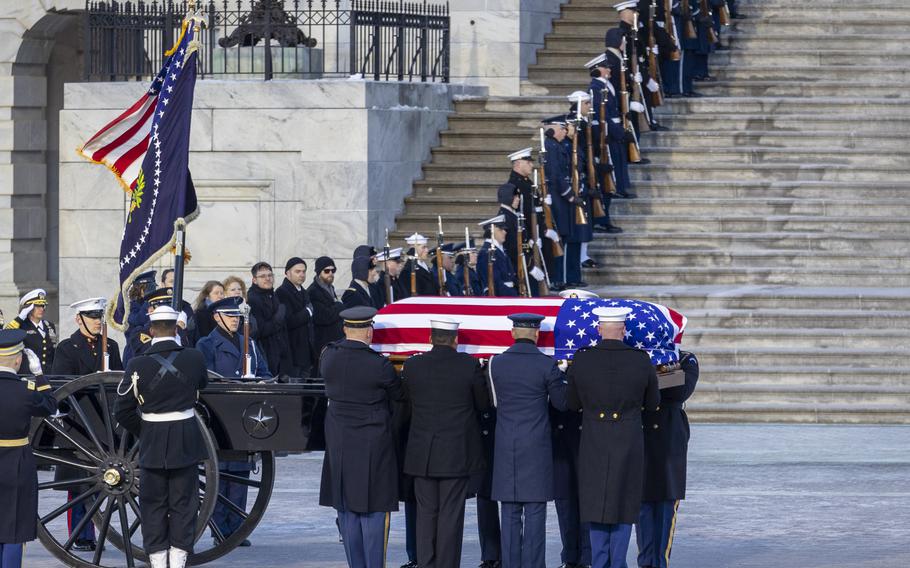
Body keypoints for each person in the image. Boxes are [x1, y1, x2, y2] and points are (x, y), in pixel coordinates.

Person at [113, 306, 209, 568]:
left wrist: (146, 429)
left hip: (153, 439)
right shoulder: (194, 358)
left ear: (152, 330)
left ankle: (157, 559)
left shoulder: (136, 364)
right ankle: (178, 560)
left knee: (153, 503)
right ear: (176, 329)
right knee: (184, 502)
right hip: (185, 438)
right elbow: (203, 385)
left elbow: (122, 411)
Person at [567, 307, 660, 568]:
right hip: (628, 438)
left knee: (596, 501)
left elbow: (572, 403)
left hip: (594, 438)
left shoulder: (582, 359)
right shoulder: (641, 359)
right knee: (624, 500)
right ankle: (618, 562)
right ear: (623, 330)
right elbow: (653, 403)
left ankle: (599, 562)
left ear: (598, 329)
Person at [318, 306, 406, 568]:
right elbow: (399, 396)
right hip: (372, 442)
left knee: (346, 509)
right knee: (374, 509)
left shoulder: (328, 356)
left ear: (345, 329)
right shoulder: (378, 365)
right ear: (369, 331)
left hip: (339, 441)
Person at [402, 319, 490, 568]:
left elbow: (406, 405)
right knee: (451, 515)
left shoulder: (413, 365)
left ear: (430, 339)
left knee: (426, 515)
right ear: (455, 340)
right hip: (455, 454)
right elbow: (482, 404)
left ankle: (426, 563)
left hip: (422, 454)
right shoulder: (468, 365)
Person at [489, 313, 568, 568]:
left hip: (505, 446)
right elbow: (562, 403)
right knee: (535, 513)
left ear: (513, 333)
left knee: (509, 512)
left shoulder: (496, 363)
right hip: (536, 446)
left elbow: (493, 403)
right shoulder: (546, 365)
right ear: (536, 334)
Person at [51, 297, 123, 551]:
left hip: (105, 424)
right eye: (92, 317)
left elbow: (119, 383)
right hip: (80, 424)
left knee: (102, 482)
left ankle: (96, 531)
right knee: (80, 485)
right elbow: (62, 384)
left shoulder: (111, 346)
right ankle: (82, 535)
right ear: (78, 319)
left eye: (99, 318)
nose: (97, 322)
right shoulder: (68, 348)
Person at [0, 330, 58, 568]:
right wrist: (40, 375)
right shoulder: (26, 391)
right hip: (17, 462)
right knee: (15, 529)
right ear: (18, 360)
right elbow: (52, 406)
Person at [637, 351, 699, 568]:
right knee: (642, 503)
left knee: (666, 503)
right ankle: (645, 561)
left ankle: (660, 561)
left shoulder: (685, 359)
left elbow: (680, 391)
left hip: (670, 436)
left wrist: (650, 375)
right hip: (641, 432)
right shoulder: (636, 355)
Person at [543, 115, 585, 289]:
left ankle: (561, 277)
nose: (565, 132)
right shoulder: (551, 147)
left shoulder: (556, 146)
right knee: (559, 238)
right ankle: (557, 278)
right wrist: (569, 195)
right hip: (557, 196)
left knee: (564, 237)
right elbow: (555, 174)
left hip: (562, 196)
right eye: (562, 129)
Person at [196, 296, 271, 379]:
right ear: (217, 317)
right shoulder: (206, 344)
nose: (235, 319)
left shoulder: (249, 343)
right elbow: (209, 379)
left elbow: (265, 374)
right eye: (230, 316)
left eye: (237, 316)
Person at [247, 261, 291, 376]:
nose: (267, 279)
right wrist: (278, 317)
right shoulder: (253, 299)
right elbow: (260, 330)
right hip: (266, 353)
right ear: (254, 280)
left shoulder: (272, 294)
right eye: (262, 276)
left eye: (270, 275)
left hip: (280, 353)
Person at [125, 287, 188, 363]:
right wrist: (179, 329)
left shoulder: (182, 329)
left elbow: (186, 356)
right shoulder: (139, 333)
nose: (168, 312)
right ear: (150, 310)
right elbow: (153, 353)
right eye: (162, 308)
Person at [276, 257, 315, 377]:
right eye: (297, 271)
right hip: (293, 353)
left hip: (306, 352)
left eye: (303, 271)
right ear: (287, 273)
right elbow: (288, 321)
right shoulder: (282, 292)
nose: (302, 275)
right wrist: (307, 312)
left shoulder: (303, 291)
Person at [4, 288, 57, 374]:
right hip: (27, 375)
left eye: (43, 305)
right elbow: (6, 337)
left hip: (47, 375)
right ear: (29, 308)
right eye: (37, 306)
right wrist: (20, 318)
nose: (42, 309)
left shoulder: (49, 326)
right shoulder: (21, 326)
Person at [307, 256, 345, 363]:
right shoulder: (313, 291)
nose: (330, 273)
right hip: (323, 343)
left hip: (336, 341)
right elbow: (323, 316)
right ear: (319, 272)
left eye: (333, 270)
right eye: (327, 271)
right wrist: (339, 305)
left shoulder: (330, 288)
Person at [477, 215, 518, 297]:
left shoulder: (500, 250)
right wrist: (512, 295)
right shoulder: (486, 252)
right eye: (500, 229)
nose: (505, 232)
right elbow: (494, 282)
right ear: (492, 231)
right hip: (501, 297)